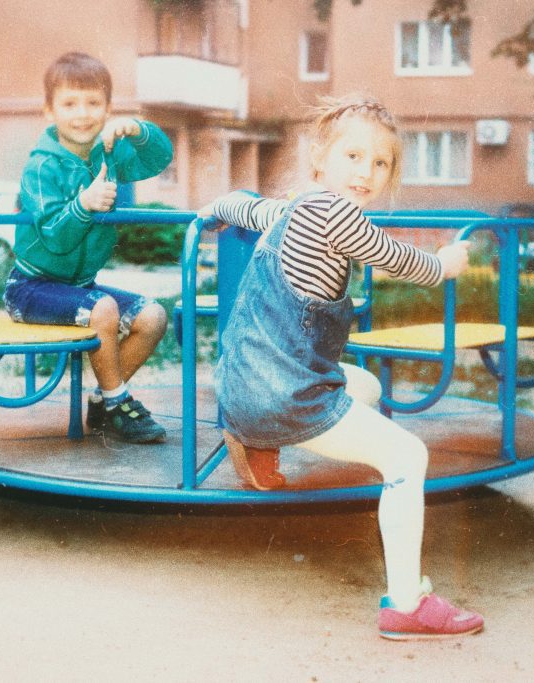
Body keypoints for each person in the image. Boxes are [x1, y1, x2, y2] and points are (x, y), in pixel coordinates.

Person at [199, 94, 483, 640]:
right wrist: (445, 265)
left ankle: (256, 442)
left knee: (364, 384)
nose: (366, 172)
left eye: (381, 163)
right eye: (353, 157)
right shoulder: (335, 212)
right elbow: (399, 259)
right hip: (287, 397)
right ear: (321, 159)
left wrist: (221, 203)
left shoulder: (292, 210)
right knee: (408, 455)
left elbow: (248, 209)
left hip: (239, 387)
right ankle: (406, 605)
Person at [5, 52, 173, 444]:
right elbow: (54, 237)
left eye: (93, 103)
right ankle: (119, 402)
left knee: (153, 316)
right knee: (104, 308)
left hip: (78, 286)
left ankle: (104, 399)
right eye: (69, 103)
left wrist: (137, 129)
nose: (82, 114)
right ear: (49, 112)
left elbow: (160, 158)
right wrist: (85, 204)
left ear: (108, 108)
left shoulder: (107, 153)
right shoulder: (41, 167)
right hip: (29, 288)